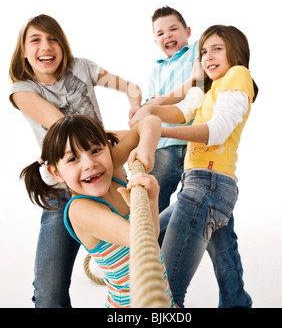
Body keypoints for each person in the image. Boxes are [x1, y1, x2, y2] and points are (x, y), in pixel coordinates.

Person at [9, 14, 142, 308]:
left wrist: (136, 111)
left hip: (104, 174)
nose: (46, 46)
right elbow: (64, 128)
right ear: (23, 53)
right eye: (36, 40)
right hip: (65, 187)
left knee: (144, 234)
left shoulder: (82, 67)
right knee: (49, 294)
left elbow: (131, 88)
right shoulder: (23, 90)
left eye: (53, 38)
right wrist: (114, 137)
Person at [130, 25, 258, 308]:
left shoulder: (238, 75)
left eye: (217, 49)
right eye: (203, 51)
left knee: (168, 288)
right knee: (222, 254)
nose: (208, 56)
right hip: (199, 185)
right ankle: (237, 302)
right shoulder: (206, 90)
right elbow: (180, 112)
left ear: (234, 52)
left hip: (209, 185)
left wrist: (159, 131)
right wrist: (149, 111)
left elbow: (217, 130)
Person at [20, 114, 176, 308]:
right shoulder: (80, 210)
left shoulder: (112, 170)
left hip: (163, 299)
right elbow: (143, 238)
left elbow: (151, 121)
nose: (89, 163)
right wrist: (152, 201)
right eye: (73, 159)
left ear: (109, 149)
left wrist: (145, 150)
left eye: (95, 150)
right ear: (55, 173)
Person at [130, 6, 200, 212]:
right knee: (153, 205)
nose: (167, 36)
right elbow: (150, 107)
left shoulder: (197, 51)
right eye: (160, 33)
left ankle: (225, 246)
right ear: (155, 40)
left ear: (187, 31)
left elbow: (198, 82)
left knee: (203, 202)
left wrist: (157, 102)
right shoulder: (156, 70)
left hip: (194, 142)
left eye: (173, 29)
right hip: (162, 146)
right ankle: (152, 245)